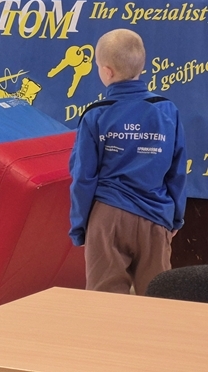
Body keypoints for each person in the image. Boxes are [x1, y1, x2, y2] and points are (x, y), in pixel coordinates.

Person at [69, 28, 187, 295]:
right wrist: (176, 218)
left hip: (108, 217)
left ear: (106, 71)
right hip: (156, 215)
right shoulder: (167, 110)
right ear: (141, 66)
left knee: (105, 303)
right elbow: (177, 171)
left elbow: (83, 177)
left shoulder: (95, 114)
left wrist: (79, 226)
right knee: (157, 300)